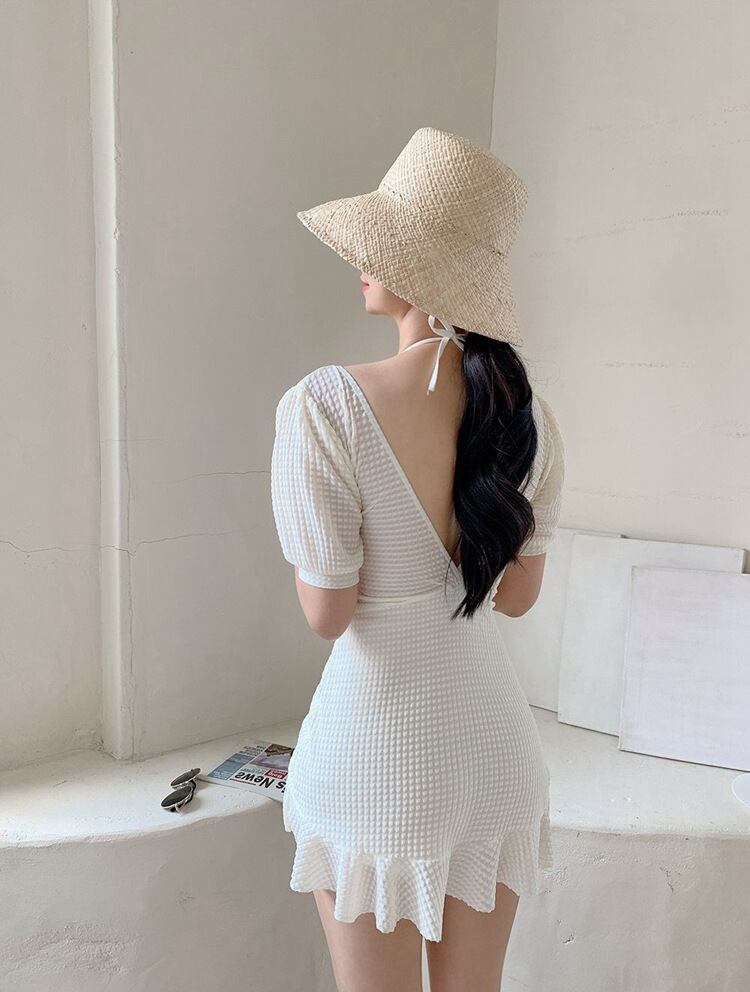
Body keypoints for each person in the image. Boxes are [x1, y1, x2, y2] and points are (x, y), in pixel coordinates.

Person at [270, 126, 565, 992]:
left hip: (374, 762)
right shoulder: (530, 417)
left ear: (422, 273)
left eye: (381, 244)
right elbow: (516, 599)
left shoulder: (325, 406)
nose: (364, 262)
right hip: (493, 753)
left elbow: (328, 612)